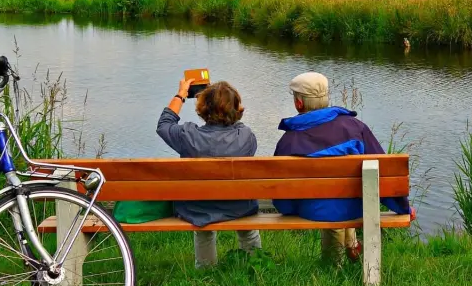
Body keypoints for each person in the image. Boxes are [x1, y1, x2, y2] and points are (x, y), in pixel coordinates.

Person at [273, 71, 412, 261]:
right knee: (340, 198)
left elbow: (281, 193)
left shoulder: (288, 141)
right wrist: (404, 208)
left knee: (327, 203)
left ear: (299, 103)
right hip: (356, 208)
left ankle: (333, 267)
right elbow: (385, 174)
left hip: (312, 211)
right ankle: (351, 246)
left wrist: (290, 210)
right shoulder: (355, 128)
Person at [156, 76, 262, 252]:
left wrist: (181, 95)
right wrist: (224, 103)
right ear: (235, 108)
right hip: (239, 207)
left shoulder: (187, 136)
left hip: (197, 209)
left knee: (202, 225)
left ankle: (205, 269)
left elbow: (164, 125)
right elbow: (235, 122)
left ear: (202, 109)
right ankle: (256, 260)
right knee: (248, 226)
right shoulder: (246, 136)